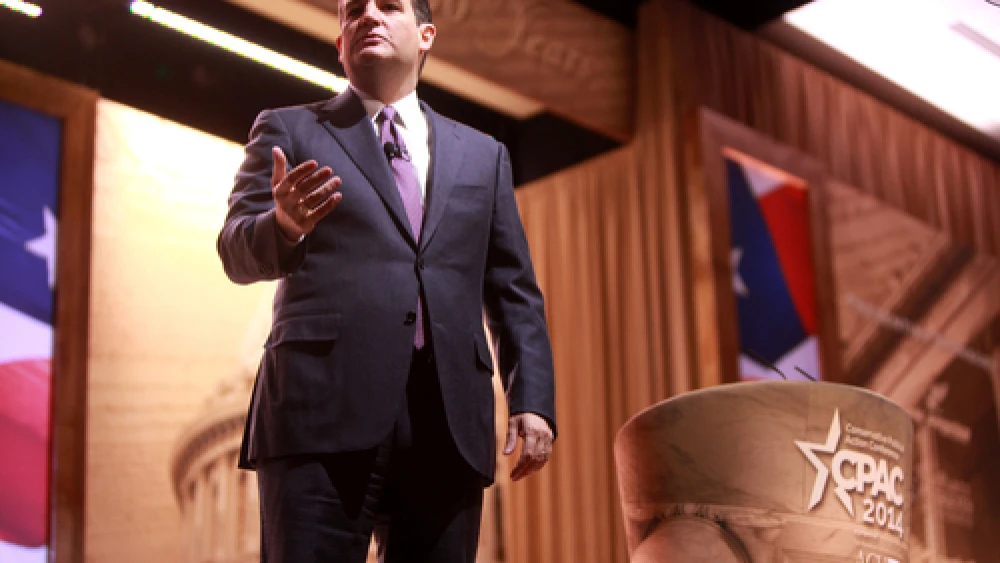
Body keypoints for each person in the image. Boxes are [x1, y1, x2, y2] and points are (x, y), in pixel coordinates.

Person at [217, 0, 557, 560]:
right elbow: (234, 250)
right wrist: (281, 226)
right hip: (317, 416)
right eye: (354, 11)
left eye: (389, 6)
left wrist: (533, 397)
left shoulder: (484, 156)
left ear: (426, 35)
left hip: (447, 423)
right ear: (340, 44)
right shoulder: (289, 128)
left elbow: (513, 289)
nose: (368, 15)